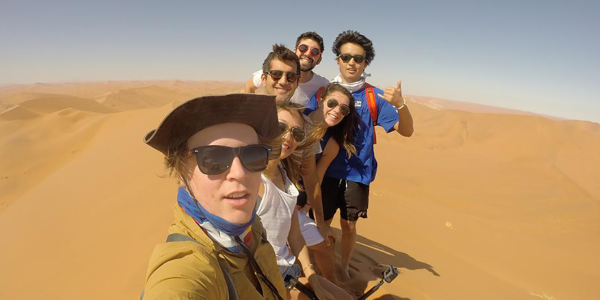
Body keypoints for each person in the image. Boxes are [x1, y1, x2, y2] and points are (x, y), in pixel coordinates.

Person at [141, 94, 287, 299]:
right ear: (180, 172)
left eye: (252, 155)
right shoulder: (185, 270)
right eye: (213, 158)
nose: (240, 173)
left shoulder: (250, 225)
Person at [305, 30, 415, 281]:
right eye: (346, 57)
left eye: (358, 58)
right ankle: (314, 262)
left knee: (350, 225)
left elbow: (406, 131)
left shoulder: (373, 96)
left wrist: (400, 105)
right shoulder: (323, 93)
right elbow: (308, 125)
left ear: (366, 62)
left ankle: (342, 266)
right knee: (322, 219)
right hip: (325, 170)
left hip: (358, 173)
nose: (352, 62)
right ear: (338, 61)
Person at [257, 101, 353, 300]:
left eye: (297, 133)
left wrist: (313, 279)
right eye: (281, 127)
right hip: (264, 279)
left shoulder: (285, 175)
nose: (288, 137)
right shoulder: (252, 180)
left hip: (287, 271)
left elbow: (295, 236)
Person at [245, 32, 329, 106]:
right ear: (295, 51)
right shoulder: (271, 74)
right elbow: (249, 86)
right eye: (303, 48)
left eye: (315, 52)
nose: (307, 53)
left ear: (319, 60)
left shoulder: (323, 84)